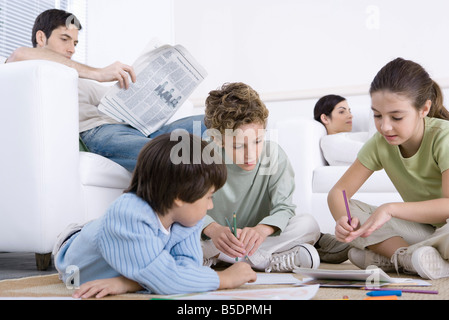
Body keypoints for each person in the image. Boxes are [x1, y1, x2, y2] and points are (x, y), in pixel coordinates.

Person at [53, 133, 257, 298]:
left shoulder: (187, 219)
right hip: (73, 257)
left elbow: (186, 269)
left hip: (131, 249)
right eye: (209, 197)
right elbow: (170, 280)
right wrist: (225, 279)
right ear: (180, 197)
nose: (210, 206)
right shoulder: (129, 214)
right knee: (109, 238)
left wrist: (128, 283)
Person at [6, 9, 205, 172]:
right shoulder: (27, 68)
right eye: (65, 39)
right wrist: (98, 73)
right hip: (101, 134)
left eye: (75, 43)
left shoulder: (78, 77)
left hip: (136, 129)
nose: (72, 49)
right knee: (177, 157)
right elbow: (19, 54)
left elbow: (115, 100)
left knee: (213, 123)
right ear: (41, 37)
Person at [200, 82, 347, 272]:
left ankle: (221, 259)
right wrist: (212, 229)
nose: (251, 154)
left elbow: (284, 208)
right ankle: (264, 260)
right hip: (214, 238)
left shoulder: (274, 156)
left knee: (308, 224)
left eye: (258, 141)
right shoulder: (201, 157)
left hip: (259, 237)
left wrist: (263, 229)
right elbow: (181, 207)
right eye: (238, 146)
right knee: (177, 233)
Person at [328, 57, 449, 280]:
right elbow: (339, 193)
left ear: (424, 109)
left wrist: (391, 208)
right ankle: (407, 259)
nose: (385, 126)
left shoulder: (444, 137)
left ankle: (391, 258)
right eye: (377, 115)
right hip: (424, 231)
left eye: (396, 117)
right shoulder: (380, 142)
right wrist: (344, 222)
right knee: (353, 209)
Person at [314, 94, 370, 166]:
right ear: (325, 119)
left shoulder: (348, 137)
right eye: (342, 112)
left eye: (349, 111)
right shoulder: (329, 142)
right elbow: (371, 154)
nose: (350, 116)